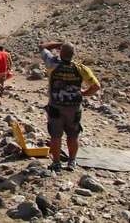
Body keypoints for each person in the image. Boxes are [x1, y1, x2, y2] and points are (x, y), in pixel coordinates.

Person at [39, 41, 101, 172]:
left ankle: (56, 163)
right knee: (73, 136)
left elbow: (42, 47)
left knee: (55, 136)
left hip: (56, 106)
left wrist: (58, 44)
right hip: (74, 107)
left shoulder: (52, 63)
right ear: (73, 54)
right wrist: (84, 93)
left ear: (61, 52)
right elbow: (96, 86)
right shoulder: (81, 68)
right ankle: (71, 161)